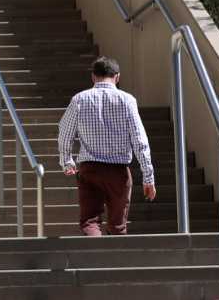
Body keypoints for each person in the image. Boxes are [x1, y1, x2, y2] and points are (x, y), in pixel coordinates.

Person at [58, 55, 156, 236]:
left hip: (90, 169)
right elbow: (140, 140)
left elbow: (65, 131)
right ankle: (115, 261)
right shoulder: (128, 100)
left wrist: (67, 161)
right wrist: (148, 177)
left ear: (93, 77)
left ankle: (95, 259)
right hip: (118, 172)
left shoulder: (79, 99)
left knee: (90, 222)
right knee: (118, 226)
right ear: (117, 77)